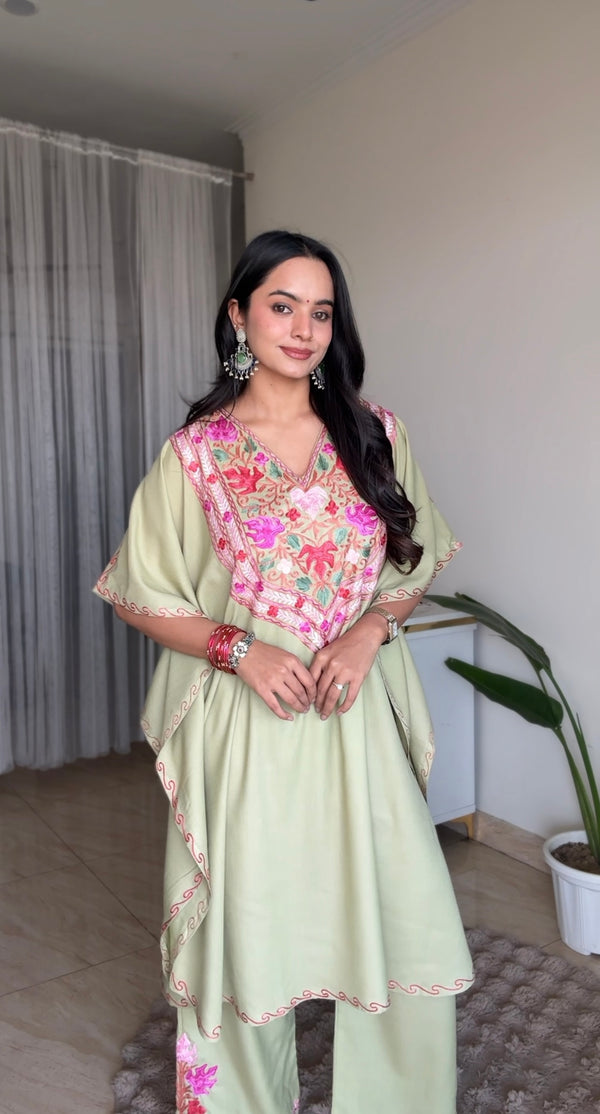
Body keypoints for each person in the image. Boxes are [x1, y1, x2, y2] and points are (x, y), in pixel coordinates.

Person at [94, 230, 473, 1114]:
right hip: (251, 729)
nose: (304, 330)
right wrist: (240, 648)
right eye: (282, 305)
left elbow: (413, 565)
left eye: (322, 312)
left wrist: (370, 630)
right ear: (239, 316)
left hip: (353, 719)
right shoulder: (196, 455)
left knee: (399, 920)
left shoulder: (377, 434)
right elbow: (137, 593)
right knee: (247, 935)